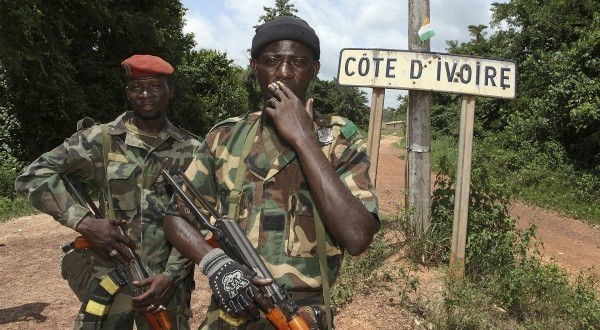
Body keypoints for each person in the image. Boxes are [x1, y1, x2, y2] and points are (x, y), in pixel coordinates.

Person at [163, 16, 380, 329]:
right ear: (255, 68)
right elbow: (176, 217)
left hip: (301, 315)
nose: (284, 72)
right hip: (231, 311)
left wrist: (304, 139)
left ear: (315, 70)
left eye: (298, 62)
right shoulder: (225, 137)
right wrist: (215, 263)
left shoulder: (339, 138)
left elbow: (358, 237)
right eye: (272, 61)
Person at [15, 54, 202, 329]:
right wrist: (84, 222)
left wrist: (172, 275)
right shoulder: (100, 139)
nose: (145, 94)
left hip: (166, 285)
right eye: (137, 87)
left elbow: (196, 218)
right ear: (128, 92)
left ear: (169, 90)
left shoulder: (193, 149)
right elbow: (31, 176)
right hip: (111, 274)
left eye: (155, 86)